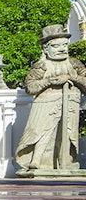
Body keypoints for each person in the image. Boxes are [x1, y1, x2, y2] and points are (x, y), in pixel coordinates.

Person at [16, 25, 86, 172]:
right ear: (46, 49)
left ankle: (65, 161)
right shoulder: (41, 66)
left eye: (64, 45)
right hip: (46, 104)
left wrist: (70, 77)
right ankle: (36, 159)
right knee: (41, 132)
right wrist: (49, 81)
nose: (62, 49)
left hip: (70, 103)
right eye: (56, 46)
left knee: (67, 134)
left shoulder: (74, 64)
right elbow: (30, 87)